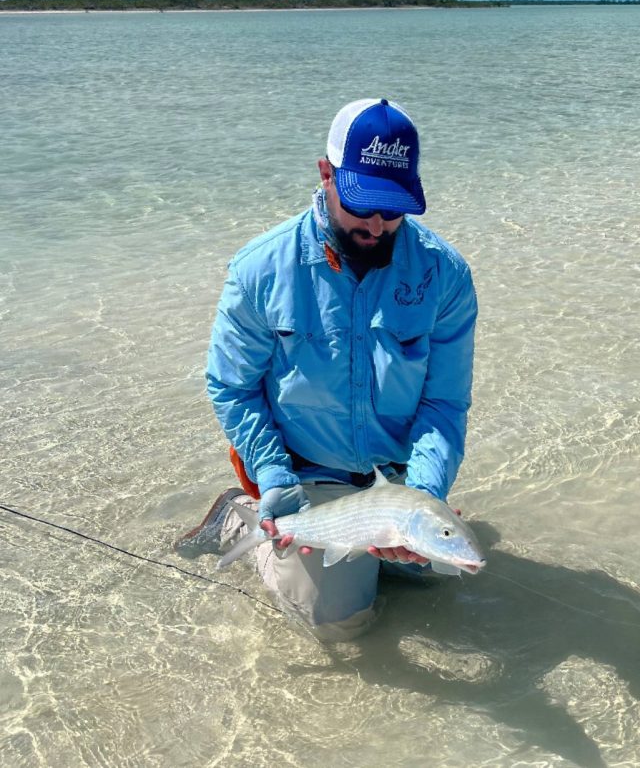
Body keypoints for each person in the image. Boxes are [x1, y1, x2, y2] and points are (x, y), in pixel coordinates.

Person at [174, 98, 478, 640]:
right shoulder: (261, 271)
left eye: (393, 208)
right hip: (305, 475)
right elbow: (231, 386)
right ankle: (238, 516)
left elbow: (444, 403)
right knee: (341, 625)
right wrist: (274, 477)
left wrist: (423, 495)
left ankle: (377, 547)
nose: (379, 225)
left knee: (440, 580)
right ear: (326, 174)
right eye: (362, 205)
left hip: (397, 477)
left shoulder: (444, 275)